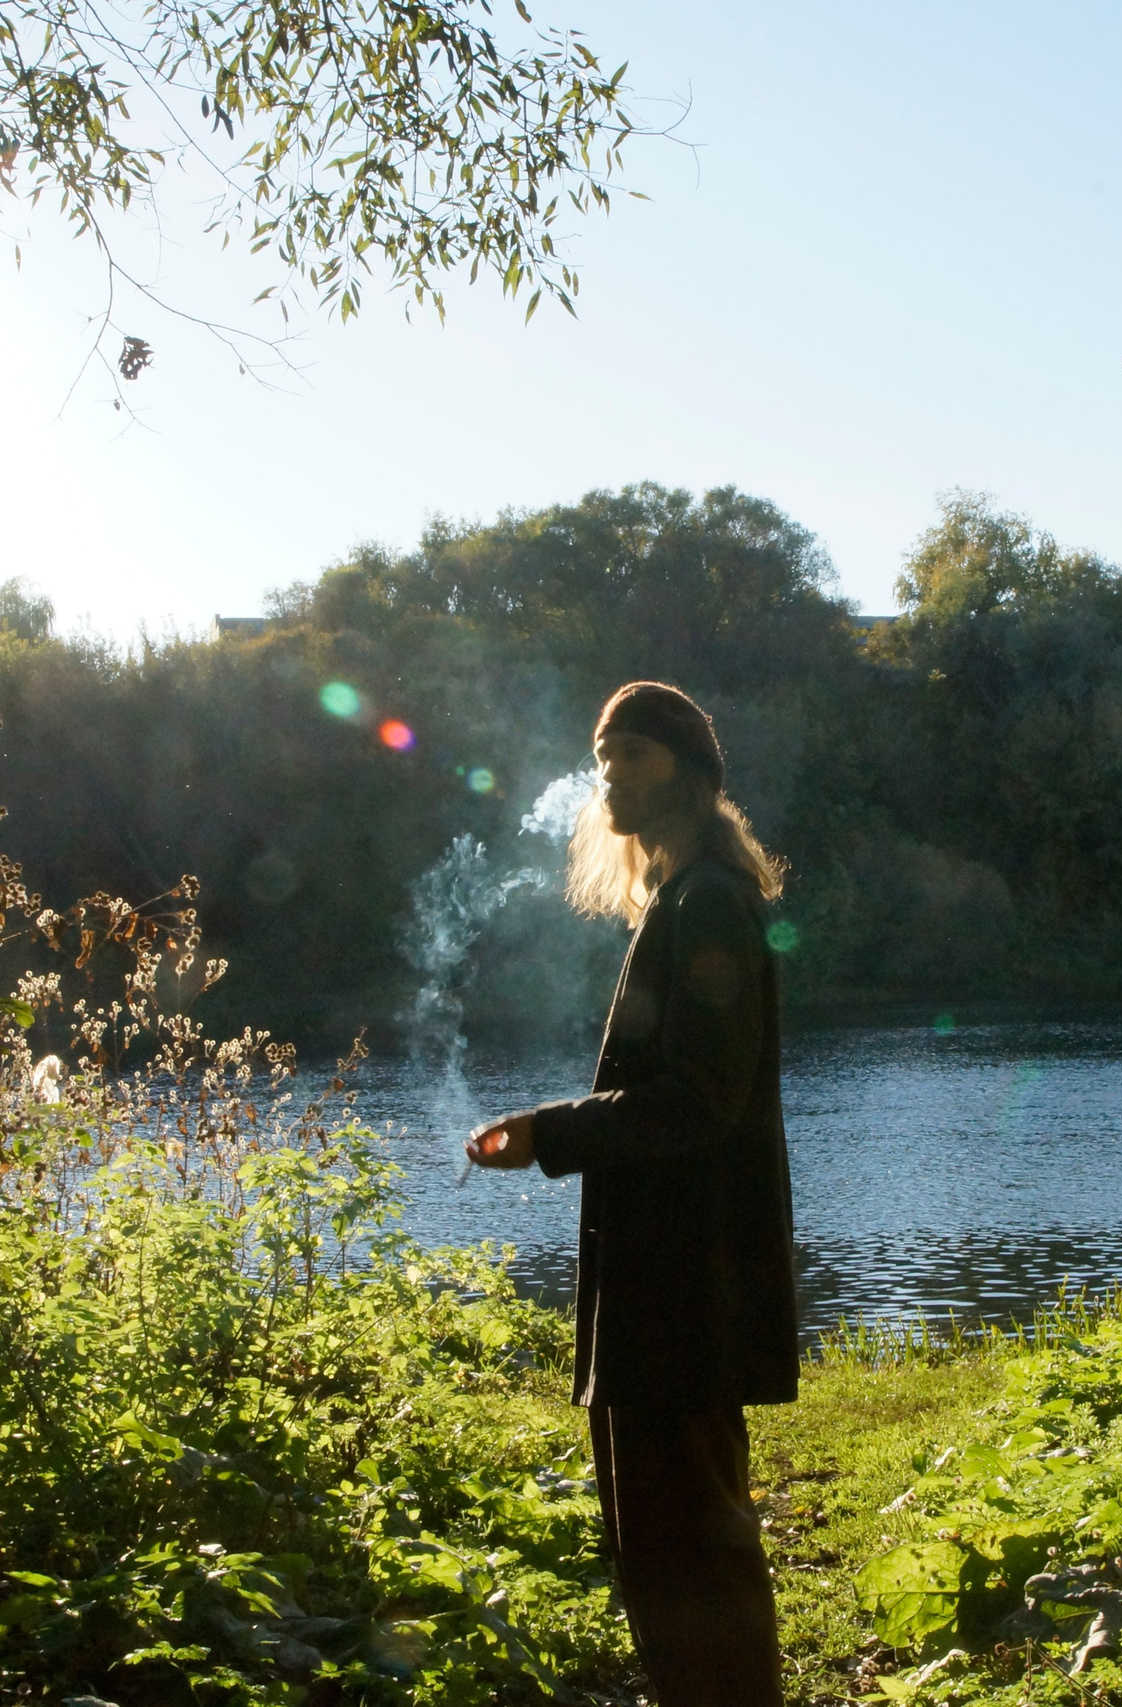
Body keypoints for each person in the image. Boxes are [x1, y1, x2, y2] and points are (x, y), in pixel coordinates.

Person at [466, 680, 796, 1706]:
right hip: (669, 1278)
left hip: (686, 1285)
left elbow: (701, 1101)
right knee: (663, 1540)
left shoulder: (707, 906)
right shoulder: (676, 899)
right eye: (603, 756)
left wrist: (551, 1135)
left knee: (687, 1541)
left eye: (635, 755)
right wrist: (562, 1130)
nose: (611, 772)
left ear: (691, 774)